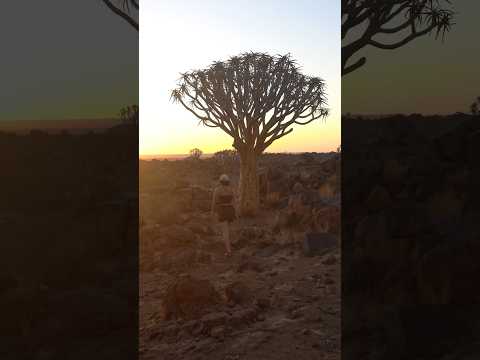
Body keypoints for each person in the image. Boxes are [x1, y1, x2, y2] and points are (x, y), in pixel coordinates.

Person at [211, 174, 236, 256]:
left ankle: (228, 251)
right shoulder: (231, 189)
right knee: (229, 229)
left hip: (222, 211)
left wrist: (212, 212)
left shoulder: (217, 190)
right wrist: (235, 211)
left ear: (220, 181)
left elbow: (214, 202)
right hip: (230, 210)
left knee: (225, 231)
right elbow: (234, 201)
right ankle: (230, 245)